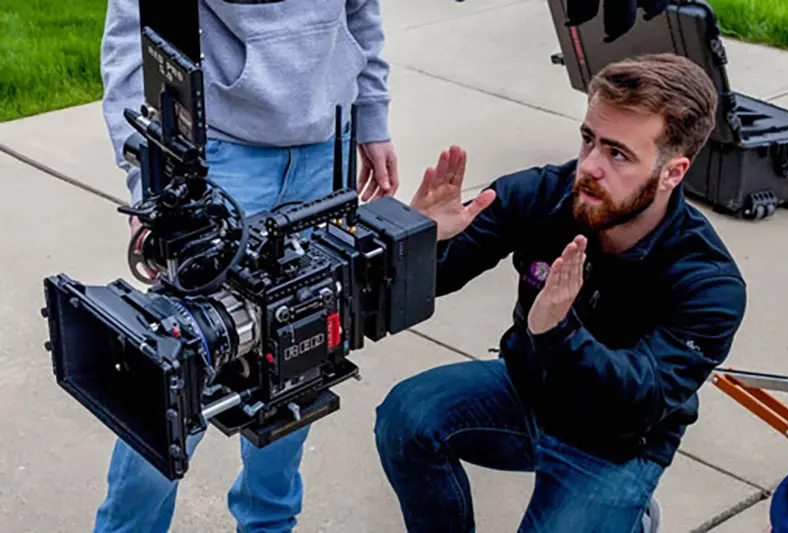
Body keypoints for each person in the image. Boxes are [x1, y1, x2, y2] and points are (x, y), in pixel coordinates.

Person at [374, 53, 748, 532]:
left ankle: (627, 518)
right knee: (407, 418)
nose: (588, 166)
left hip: (616, 443)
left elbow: (642, 399)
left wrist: (558, 334)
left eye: (617, 154)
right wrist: (418, 241)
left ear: (672, 172)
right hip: (529, 391)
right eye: (588, 139)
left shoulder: (708, 283)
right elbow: (430, 283)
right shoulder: (544, 194)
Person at [95, 0, 397, 531]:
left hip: (325, 147)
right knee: (175, 372)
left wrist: (369, 115)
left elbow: (359, 11)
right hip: (218, 157)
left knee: (298, 362)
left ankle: (268, 525)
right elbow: (132, 34)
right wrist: (153, 183)